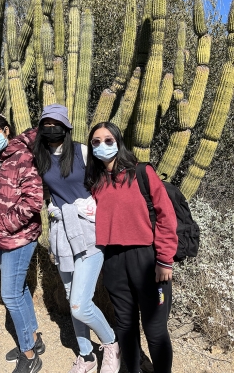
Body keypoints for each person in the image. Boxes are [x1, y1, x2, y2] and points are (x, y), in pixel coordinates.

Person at [32, 104, 120, 373]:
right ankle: (86, 355)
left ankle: (111, 344)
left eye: (56, 123)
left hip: (90, 232)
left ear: (67, 127)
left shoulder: (82, 151)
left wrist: (97, 206)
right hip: (62, 233)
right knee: (72, 297)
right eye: (45, 124)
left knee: (80, 304)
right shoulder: (41, 155)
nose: (51, 128)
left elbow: (108, 179)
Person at [85, 121, 178, 373]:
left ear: (118, 141)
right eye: (95, 141)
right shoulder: (95, 181)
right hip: (113, 260)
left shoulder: (142, 173)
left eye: (107, 140)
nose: (101, 145)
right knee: (125, 325)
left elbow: (166, 216)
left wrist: (164, 260)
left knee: (155, 329)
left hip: (146, 259)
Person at [0, 114, 43, 373]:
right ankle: (34, 340)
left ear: (6, 130)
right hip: (1, 239)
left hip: (18, 238)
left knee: (9, 295)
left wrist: (4, 225)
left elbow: (34, 201)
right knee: (18, 291)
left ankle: (29, 355)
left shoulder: (23, 158)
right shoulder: (2, 159)